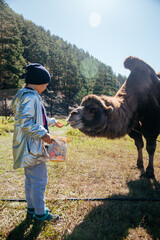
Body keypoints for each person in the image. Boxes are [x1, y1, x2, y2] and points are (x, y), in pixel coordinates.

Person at [11, 63, 64, 223]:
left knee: (31, 179)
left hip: (28, 147)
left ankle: (32, 208)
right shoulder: (31, 96)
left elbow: (36, 119)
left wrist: (52, 122)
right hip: (32, 148)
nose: (46, 87)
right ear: (39, 82)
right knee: (40, 180)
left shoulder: (25, 95)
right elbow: (26, 122)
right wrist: (43, 133)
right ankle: (41, 214)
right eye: (46, 84)